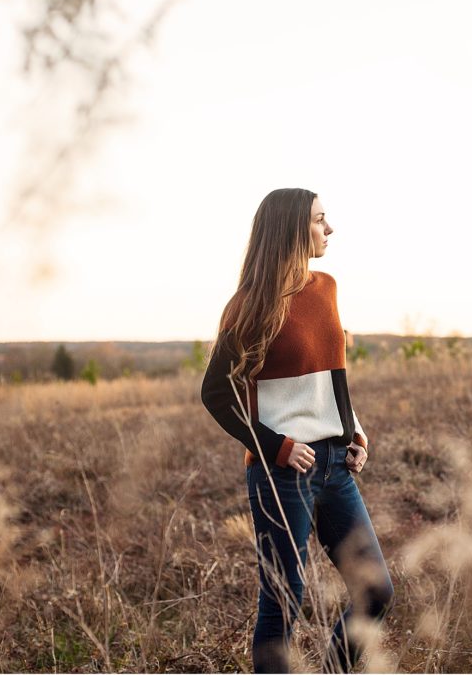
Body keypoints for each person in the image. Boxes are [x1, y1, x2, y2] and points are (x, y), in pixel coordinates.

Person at [201, 188, 395, 673]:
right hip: (282, 473)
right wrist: (276, 447)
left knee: (375, 590)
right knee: (284, 599)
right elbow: (217, 394)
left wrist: (354, 429)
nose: (329, 229)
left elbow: (333, 373)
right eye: (320, 220)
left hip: (335, 466)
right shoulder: (248, 306)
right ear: (291, 229)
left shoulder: (326, 287)